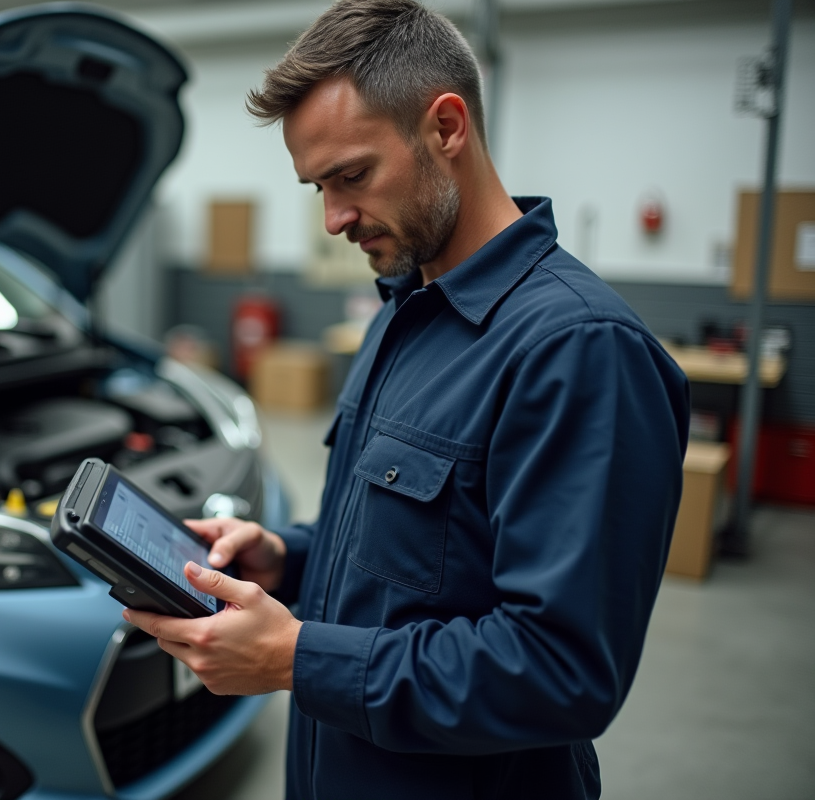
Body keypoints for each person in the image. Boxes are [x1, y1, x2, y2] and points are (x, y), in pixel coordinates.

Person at [123, 1, 690, 797]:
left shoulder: (579, 349)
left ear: (447, 127)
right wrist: (288, 556)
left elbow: (563, 672)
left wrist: (295, 659)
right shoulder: (405, 311)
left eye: (352, 176)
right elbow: (419, 553)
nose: (334, 219)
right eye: (319, 186)